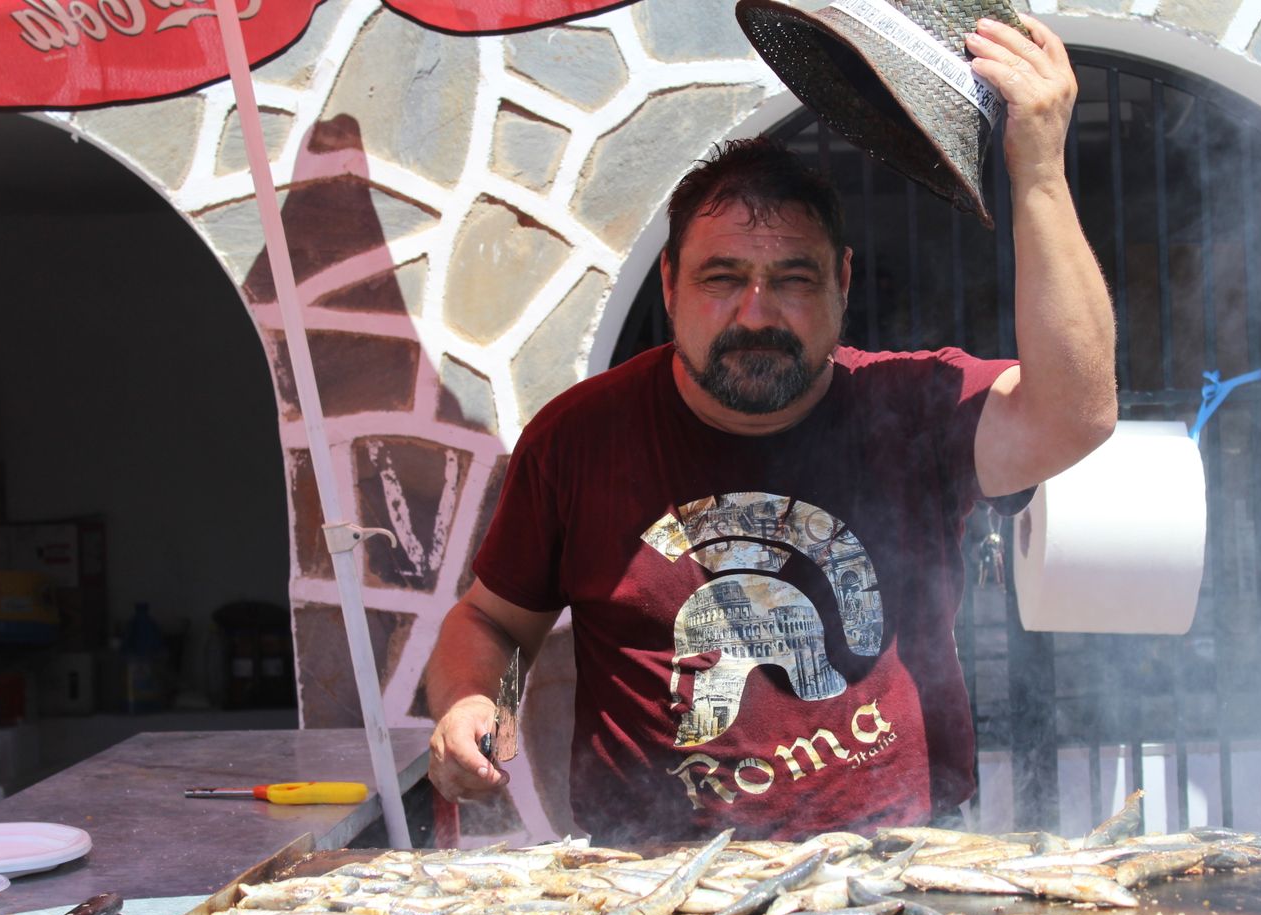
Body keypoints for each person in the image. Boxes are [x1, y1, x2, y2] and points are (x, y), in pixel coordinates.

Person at [425, 14, 1116, 842]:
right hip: (650, 889)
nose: (757, 312)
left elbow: (1075, 414)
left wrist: (1037, 167)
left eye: (793, 278)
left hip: (900, 868)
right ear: (671, 284)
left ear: (842, 284)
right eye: (723, 278)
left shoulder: (915, 405)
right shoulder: (578, 438)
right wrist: (476, 701)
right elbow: (494, 621)